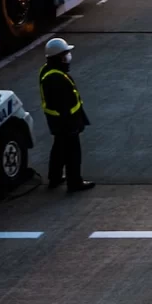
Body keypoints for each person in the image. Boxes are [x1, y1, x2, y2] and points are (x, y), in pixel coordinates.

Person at [38, 38, 93, 191]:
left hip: (56, 121)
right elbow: (63, 105)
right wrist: (73, 124)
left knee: (59, 148)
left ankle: (54, 177)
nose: (68, 58)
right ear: (59, 58)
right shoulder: (56, 78)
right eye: (66, 55)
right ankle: (74, 182)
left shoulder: (47, 70)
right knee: (73, 153)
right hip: (66, 122)